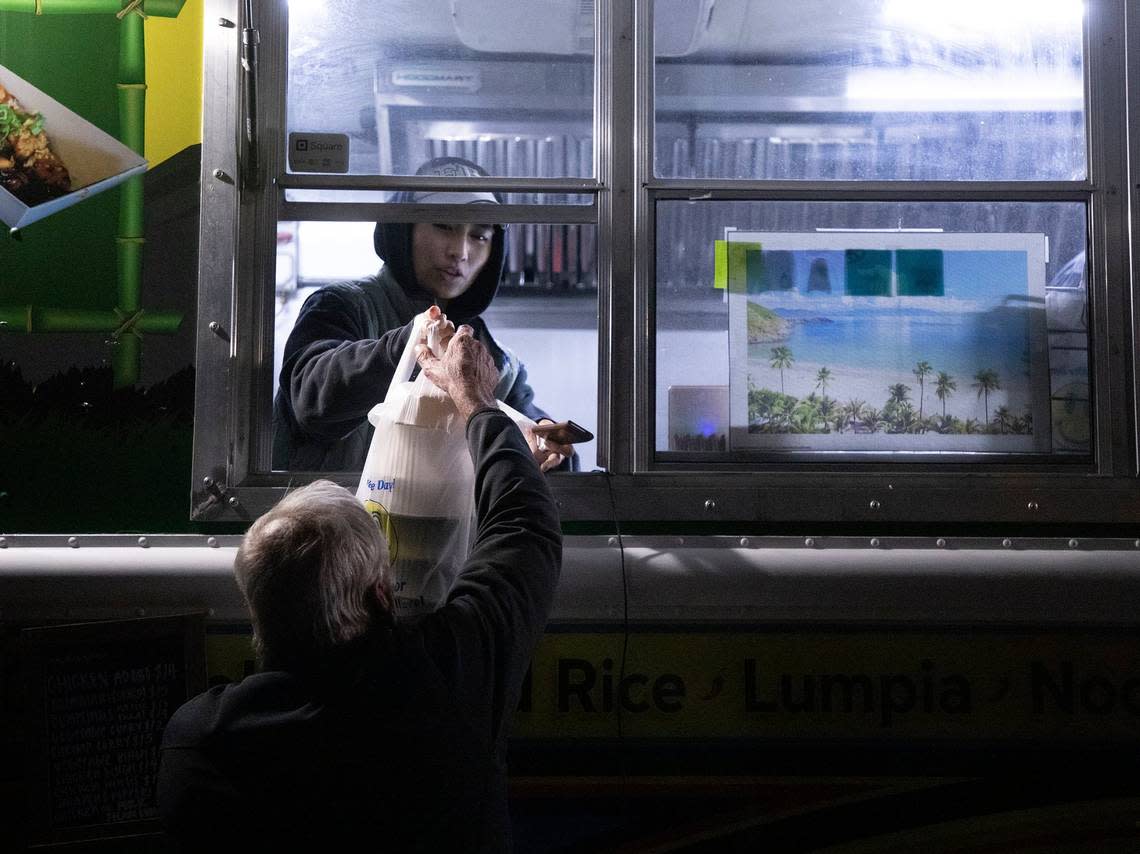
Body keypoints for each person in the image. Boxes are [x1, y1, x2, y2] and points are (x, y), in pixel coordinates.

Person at [158, 323, 563, 851]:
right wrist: (477, 402)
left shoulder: (199, 741)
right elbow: (524, 530)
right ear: (381, 595)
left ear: (256, 607)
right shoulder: (448, 681)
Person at [272, 155, 574, 472]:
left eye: (479, 235)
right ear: (404, 230)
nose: (460, 251)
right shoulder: (342, 305)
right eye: (444, 226)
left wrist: (548, 444)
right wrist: (409, 345)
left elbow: (528, 426)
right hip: (332, 520)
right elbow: (311, 400)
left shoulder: (494, 359)